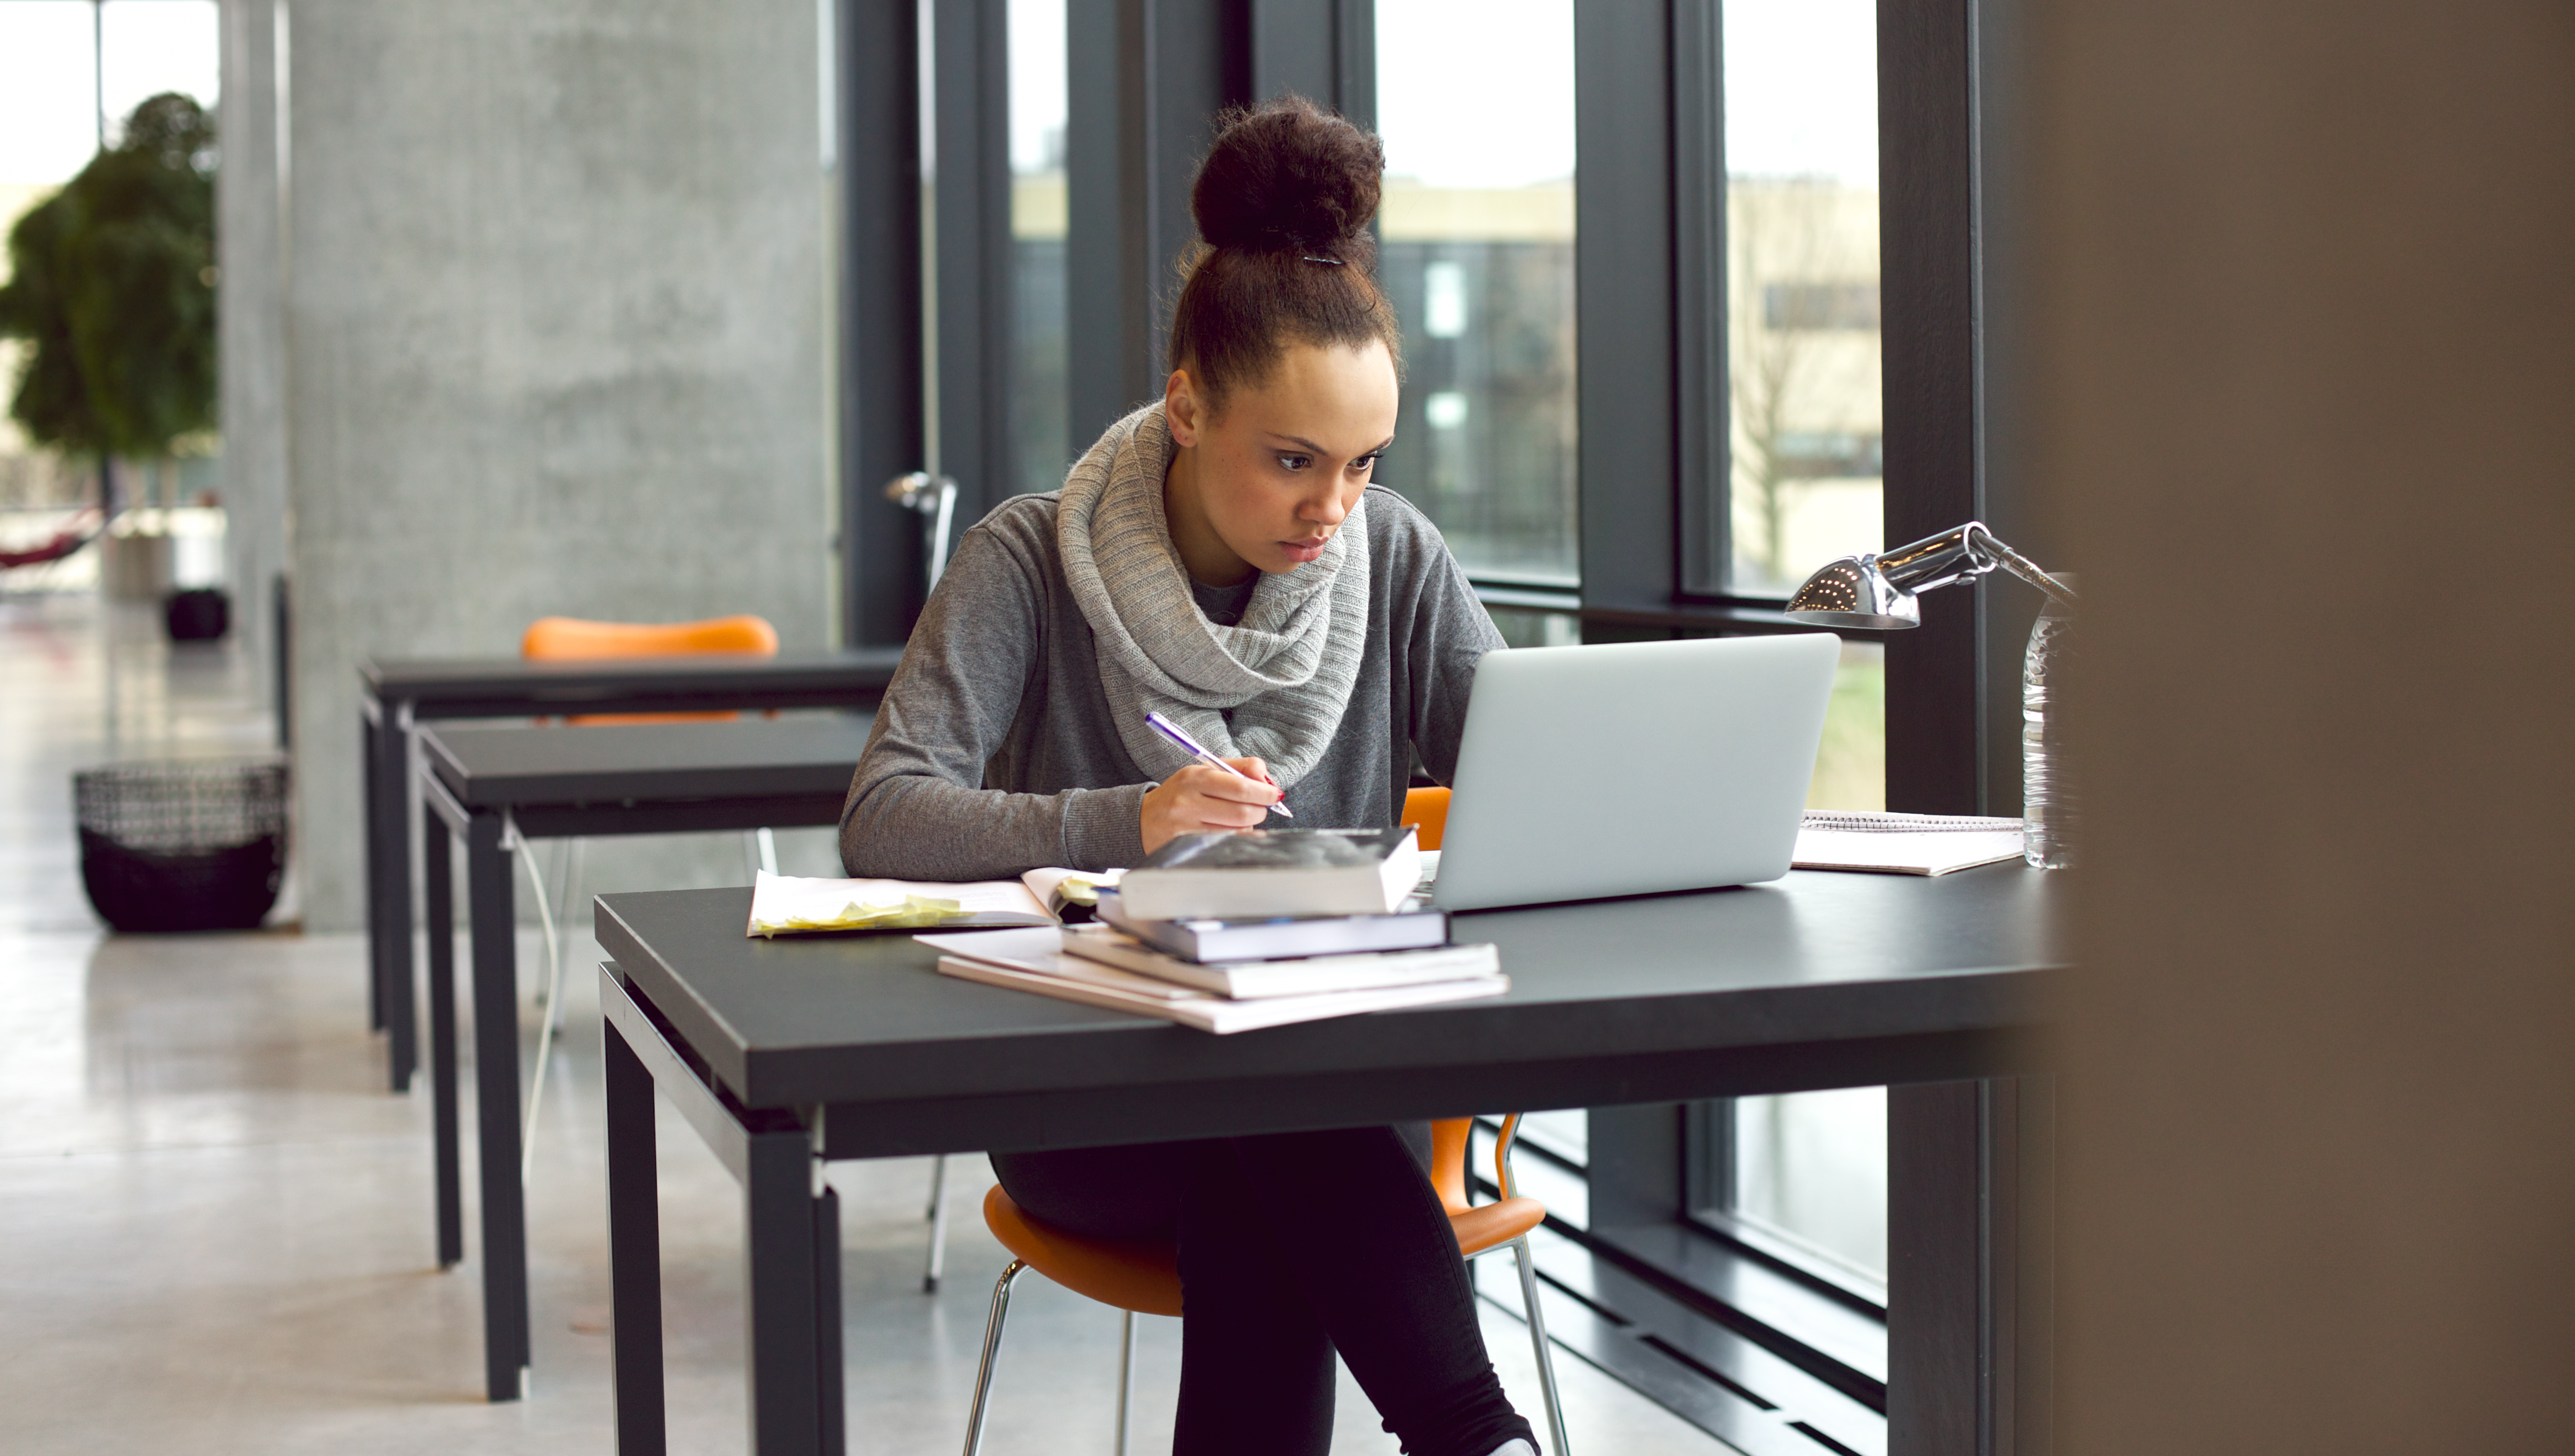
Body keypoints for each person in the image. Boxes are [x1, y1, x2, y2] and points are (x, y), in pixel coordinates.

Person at [840, 95, 1534, 1456]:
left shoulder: (1391, 558)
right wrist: (1130, 820)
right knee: (1271, 1131)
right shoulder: (1024, 560)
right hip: (1092, 1109)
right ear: (1187, 406)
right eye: (1292, 462)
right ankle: (1473, 1434)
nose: (1330, 510)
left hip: (1326, 1091)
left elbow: (1525, 777)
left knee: (1268, 1133)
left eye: (1361, 465)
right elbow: (884, 815)